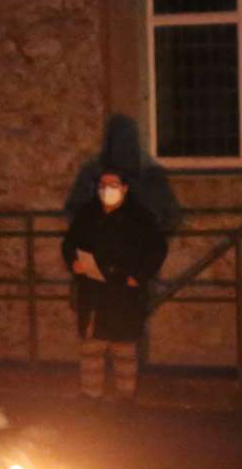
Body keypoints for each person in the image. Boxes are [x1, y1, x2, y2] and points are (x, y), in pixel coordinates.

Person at [62, 167, 168, 404]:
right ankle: (90, 394)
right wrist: (74, 263)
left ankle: (125, 396)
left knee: (124, 346)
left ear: (124, 188)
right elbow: (69, 243)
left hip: (124, 293)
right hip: (94, 292)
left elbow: (156, 249)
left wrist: (138, 276)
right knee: (92, 347)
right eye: (102, 186)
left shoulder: (139, 218)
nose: (106, 191)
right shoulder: (88, 215)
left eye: (112, 186)